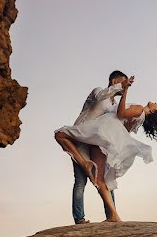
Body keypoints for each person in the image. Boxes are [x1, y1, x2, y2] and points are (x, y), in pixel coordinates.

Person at [54, 76, 157, 222]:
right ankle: (113, 215)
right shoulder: (139, 119)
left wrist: (125, 90)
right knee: (100, 180)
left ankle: (111, 214)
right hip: (105, 139)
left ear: (153, 112)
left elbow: (120, 114)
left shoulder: (139, 110)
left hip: (101, 133)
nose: (156, 103)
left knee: (60, 134)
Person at [55, 71, 128, 224]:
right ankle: (79, 218)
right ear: (114, 80)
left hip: (95, 142)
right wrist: (119, 87)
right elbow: (100, 96)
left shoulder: (114, 105)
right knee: (81, 180)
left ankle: (112, 215)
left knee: (105, 178)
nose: (123, 87)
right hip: (79, 136)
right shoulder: (98, 92)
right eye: (121, 82)